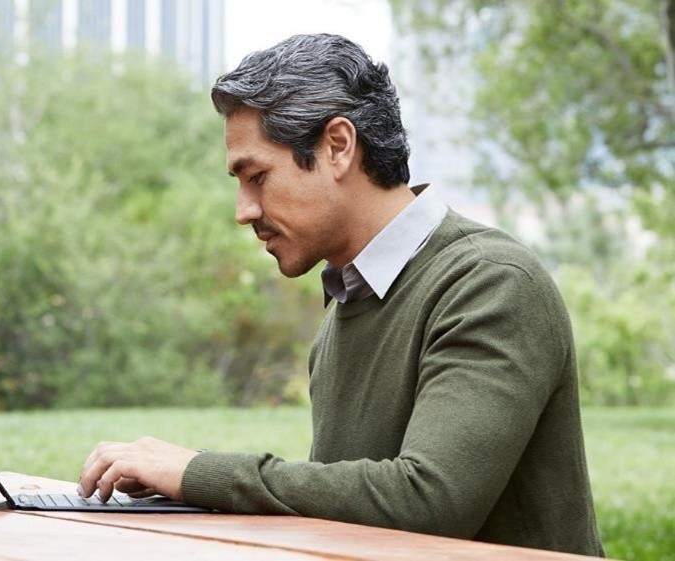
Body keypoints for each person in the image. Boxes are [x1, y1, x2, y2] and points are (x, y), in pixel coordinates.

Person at [78, 33, 604, 556]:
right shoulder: (348, 301)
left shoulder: (491, 283)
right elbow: (346, 518)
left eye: (257, 176)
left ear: (337, 146)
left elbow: (428, 502)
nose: (244, 210)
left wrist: (198, 472)